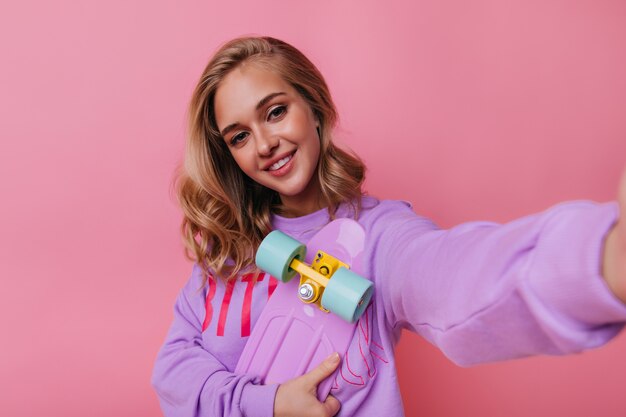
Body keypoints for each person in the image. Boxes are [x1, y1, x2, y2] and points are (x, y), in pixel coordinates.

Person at [151, 36, 626, 417]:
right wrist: (266, 404)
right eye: (239, 136)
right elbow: (173, 373)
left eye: (275, 111)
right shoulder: (228, 252)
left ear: (314, 108)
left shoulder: (378, 237)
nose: (265, 144)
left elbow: (456, 278)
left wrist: (601, 260)